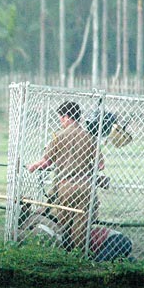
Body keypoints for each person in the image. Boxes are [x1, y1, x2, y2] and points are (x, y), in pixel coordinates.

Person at [27, 101, 104, 251]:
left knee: (64, 222)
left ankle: (63, 251)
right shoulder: (89, 137)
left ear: (67, 117)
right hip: (86, 186)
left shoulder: (58, 137)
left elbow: (46, 162)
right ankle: (80, 254)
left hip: (65, 186)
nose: (61, 121)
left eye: (61, 118)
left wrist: (33, 166)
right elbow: (101, 165)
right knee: (81, 224)